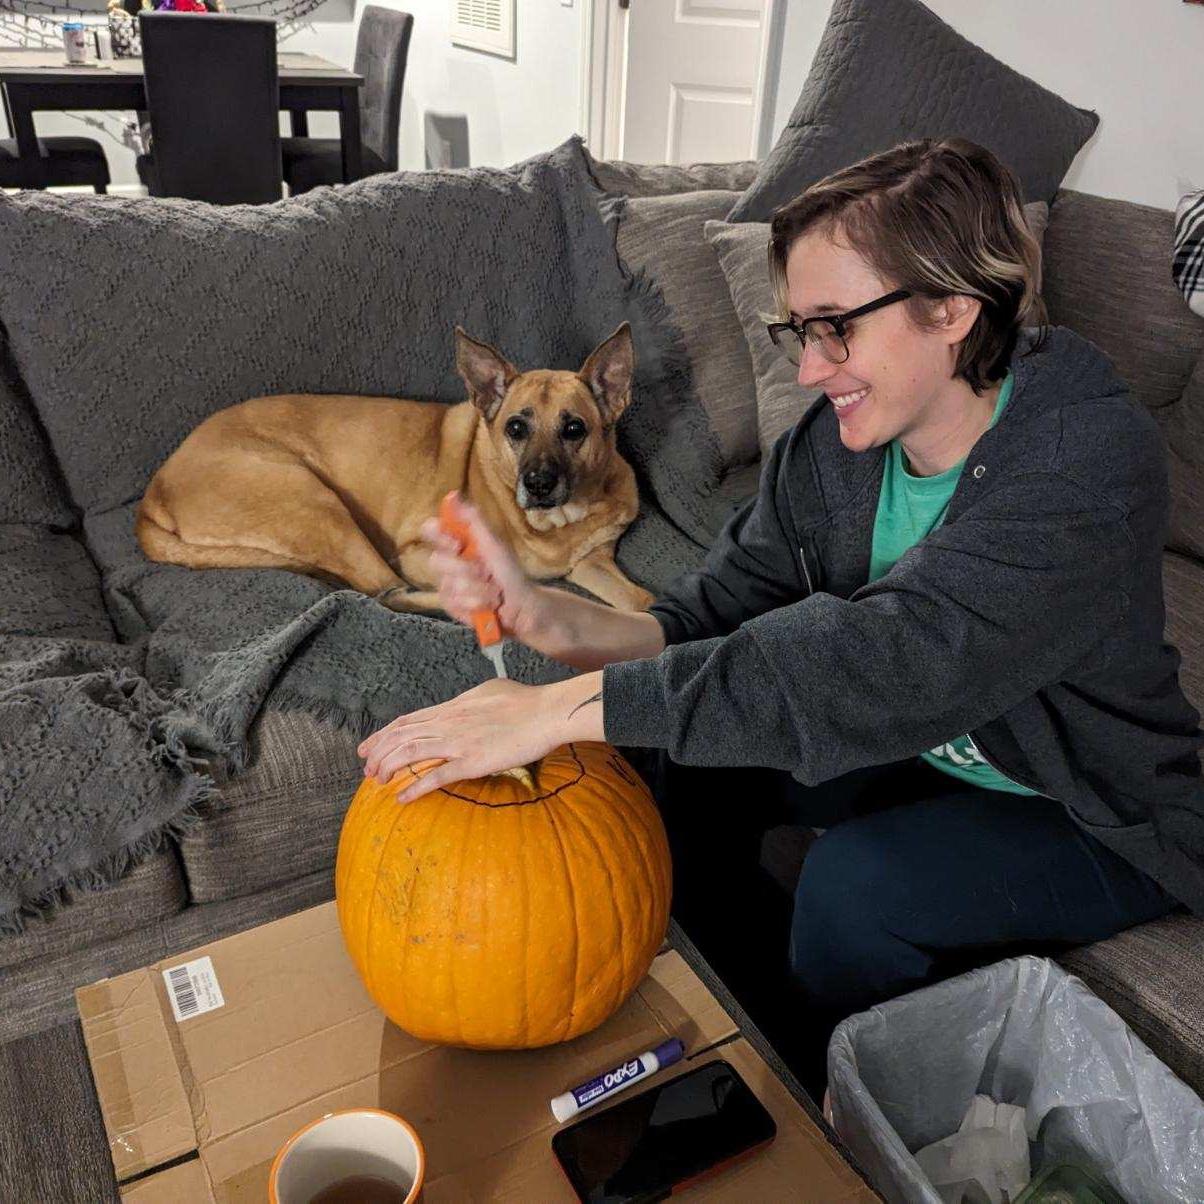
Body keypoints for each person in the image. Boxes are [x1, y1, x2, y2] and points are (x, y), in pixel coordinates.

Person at [357, 136, 1204, 1096]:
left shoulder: (1087, 459)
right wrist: (543, 616)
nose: (809, 369)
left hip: (1087, 805)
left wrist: (555, 711)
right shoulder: (835, 452)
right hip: (929, 749)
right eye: (797, 331)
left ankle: (824, 1112)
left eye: (835, 326)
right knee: (684, 758)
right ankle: (726, 1027)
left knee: (856, 888)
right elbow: (703, 620)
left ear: (953, 307)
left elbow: (876, 658)